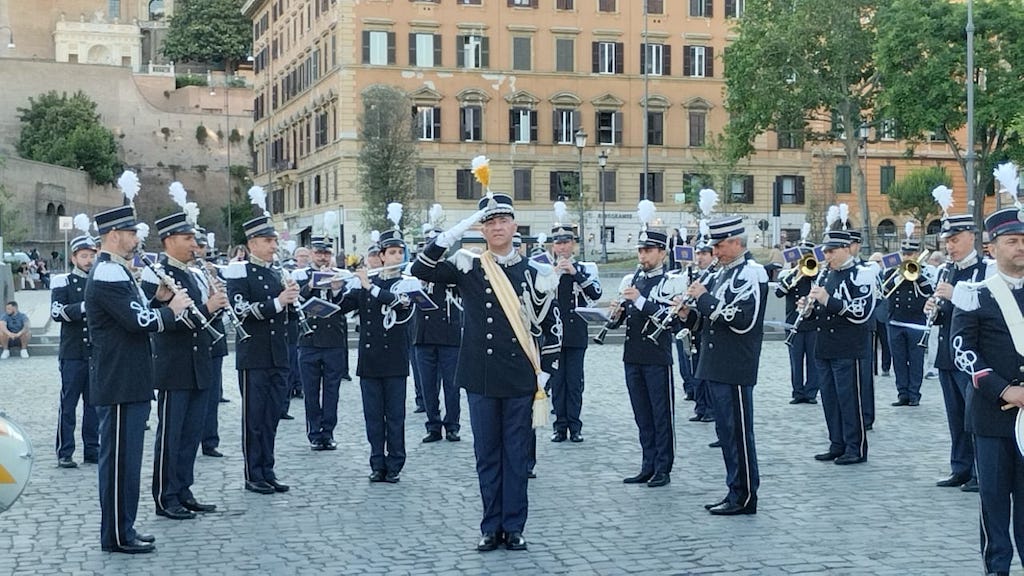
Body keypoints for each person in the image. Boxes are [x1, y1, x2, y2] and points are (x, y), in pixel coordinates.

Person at [411, 193, 561, 552]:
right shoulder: (469, 267)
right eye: (489, 222)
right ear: (481, 229)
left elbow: (552, 329)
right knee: (487, 456)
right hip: (480, 376)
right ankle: (491, 526)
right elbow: (421, 268)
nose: (496, 228)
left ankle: (514, 527)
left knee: (517, 455)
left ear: (514, 226)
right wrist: (456, 230)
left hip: (520, 377)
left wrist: (546, 374)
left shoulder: (534, 273)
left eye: (502, 221)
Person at [87, 203, 191, 554]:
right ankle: (117, 535)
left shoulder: (116, 269)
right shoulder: (108, 271)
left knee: (129, 461)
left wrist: (154, 298)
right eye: (131, 233)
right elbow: (136, 323)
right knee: (119, 463)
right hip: (119, 379)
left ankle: (125, 527)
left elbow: (131, 313)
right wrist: (171, 311)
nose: (136, 239)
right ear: (114, 235)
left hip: (129, 378)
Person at [950, 206, 1024, 576]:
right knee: (994, 502)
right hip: (992, 418)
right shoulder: (974, 294)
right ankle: (997, 569)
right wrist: (1004, 390)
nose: (1020, 247)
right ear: (991, 248)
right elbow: (962, 351)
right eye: (1011, 241)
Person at [141, 213, 228, 520]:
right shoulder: (155, 273)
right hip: (173, 364)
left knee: (191, 433)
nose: (194, 244)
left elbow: (202, 320)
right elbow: (162, 321)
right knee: (171, 435)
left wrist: (217, 306)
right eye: (188, 238)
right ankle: (165, 496)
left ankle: (183, 490)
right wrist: (208, 307)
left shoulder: (194, 273)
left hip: (198, 362)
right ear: (169, 240)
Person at [682, 216, 767, 515]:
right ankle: (734, 490)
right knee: (726, 433)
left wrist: (704, 299)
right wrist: (687, 316)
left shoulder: (752, 273)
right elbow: (710, 323)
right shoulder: (722, 273)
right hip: (716, 363)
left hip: (736, 364)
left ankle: (745, 497)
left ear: (736, 242)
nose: (715, 252)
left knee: (738, 433)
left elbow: (742, 320)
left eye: (719, 246)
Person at [224, 215, 298, 495]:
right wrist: (278, 302)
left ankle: (268, 469)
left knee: (271, 418)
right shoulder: (239, 272)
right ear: (252, 243)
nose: (274, 246)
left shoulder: (275, 272)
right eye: (268, 241)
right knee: (254, 419)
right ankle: (253, 473)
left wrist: (293, 300)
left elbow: (284, 314)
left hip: (277, 353)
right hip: (254, 355)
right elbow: (240, 310)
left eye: (274, 241)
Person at [613, 222, 683, 488]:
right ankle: (647, 464)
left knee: (661, 415)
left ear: (662, 253)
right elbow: (620, 321)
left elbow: (670, 319)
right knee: (642, 414)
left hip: (657, 357)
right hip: (633, 356)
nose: (642, 256)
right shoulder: (634, 280)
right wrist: (615, 313)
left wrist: (640, 301)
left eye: (648, 250)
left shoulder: (670, 282)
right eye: (640, 250)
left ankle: (663, 467)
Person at [805, 230, 876, 466]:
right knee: (830, 398)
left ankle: (855, 447)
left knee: (849, 399)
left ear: (847, 249)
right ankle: (837, 443)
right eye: (825, 251)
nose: (827, 256)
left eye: (832, 251)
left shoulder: (861, 274)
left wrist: (827, 300)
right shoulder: (826, 274)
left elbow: (861, 312)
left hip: (848, 346)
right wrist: (809, 309)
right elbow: (822, 310)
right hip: (824, 345)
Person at [349, 228, 413, 482]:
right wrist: (332, 288)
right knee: (373, 417)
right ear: (382, 256)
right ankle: (377, 463)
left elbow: (399, 303)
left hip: (395, 360)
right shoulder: (368, 282)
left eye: (400, 252)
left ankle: (395, 463)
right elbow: (342, 306)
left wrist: (368, 285)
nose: (397, 256)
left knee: (395, 417)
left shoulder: (407, 282)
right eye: (392, 252)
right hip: (370, 361)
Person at [928, 214, 985, 493]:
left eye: (955, 239)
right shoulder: (946, 270)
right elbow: (947, 314)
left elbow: (984, 309)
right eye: (947, 241)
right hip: (948, 354)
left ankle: (979, 471)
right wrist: (934, 310)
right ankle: (960, 467)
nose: (950, 246)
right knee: (955, 416)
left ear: (971, 237)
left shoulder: (985, 270)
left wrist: (954, 295)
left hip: (972, 356)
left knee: (974, 416)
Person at [292, 237, 349, 451]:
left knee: (332, 391)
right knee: (311, 391)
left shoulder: (340, 275)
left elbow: (345, 305)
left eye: (326, 253)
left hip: (333, 340)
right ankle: (314, 433)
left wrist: (336, 289)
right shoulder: (301, 275)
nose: (323, 257)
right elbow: (296, 300)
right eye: (319, 253)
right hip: (309, 341)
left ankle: (328, 432)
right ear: (311, 254)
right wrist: (310, 285)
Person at [549, 222, 602, 444]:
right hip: (553, 335)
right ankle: (559, 427)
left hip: (576, 334)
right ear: (553, 247)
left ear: (573, 245)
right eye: (558, 244)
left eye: (566, 243)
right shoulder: (546, 269)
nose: (562, 247)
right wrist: (554, 274)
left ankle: (575, 426)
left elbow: (596, 293)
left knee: (574, 383)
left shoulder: (584, 269)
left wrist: (574, 273)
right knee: (557, 383)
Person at [51, 235, 100, 468]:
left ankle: (92, 449)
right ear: (74, 258)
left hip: (95, 353)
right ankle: (65, 451)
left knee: (93, 405)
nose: (89, 260)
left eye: (91, 256)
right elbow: (56, 312)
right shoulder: (64, 282)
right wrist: (82, 307)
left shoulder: (99, 282)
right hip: (72, 353)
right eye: (84, 256)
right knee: (68, 405)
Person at [414, 226, 464, 444]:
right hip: (423, 336)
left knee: (452, 385)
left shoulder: (452, 269)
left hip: (448, 335)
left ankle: (452, 425)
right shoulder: (416, 269)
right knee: (428, 385)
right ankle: (433, 425)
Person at [883, 237, 933, 407]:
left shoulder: (924, 272)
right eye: (904, 254)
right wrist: (897, 278)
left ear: (917, 254)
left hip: (916, 323)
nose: (907, 257)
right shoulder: (892, 272)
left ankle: (914, 394)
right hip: (895, 322)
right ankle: (902, 394)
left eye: (910, 254)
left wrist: (916, 276)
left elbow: (929, 291)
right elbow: (884, 292)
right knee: (898, 360)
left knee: (916, 360)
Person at [193, 229, 229, 458]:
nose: (199, 250)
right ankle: (191, 438)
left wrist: (216, 291)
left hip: (214, 338)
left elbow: (225, 305)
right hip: (191, 341)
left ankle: (210, 440)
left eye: (202, 247)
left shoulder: (212, 271)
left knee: (212, 394)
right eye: (196, 246)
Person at [776, 241, 821, 405]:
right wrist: (794, 275)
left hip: (812, 323)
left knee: (813, 360)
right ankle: (798, 392)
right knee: (795, 360)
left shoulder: (816, 276)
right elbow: (779, 293)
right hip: (793, 323)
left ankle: (811, 393)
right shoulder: (790, 275)